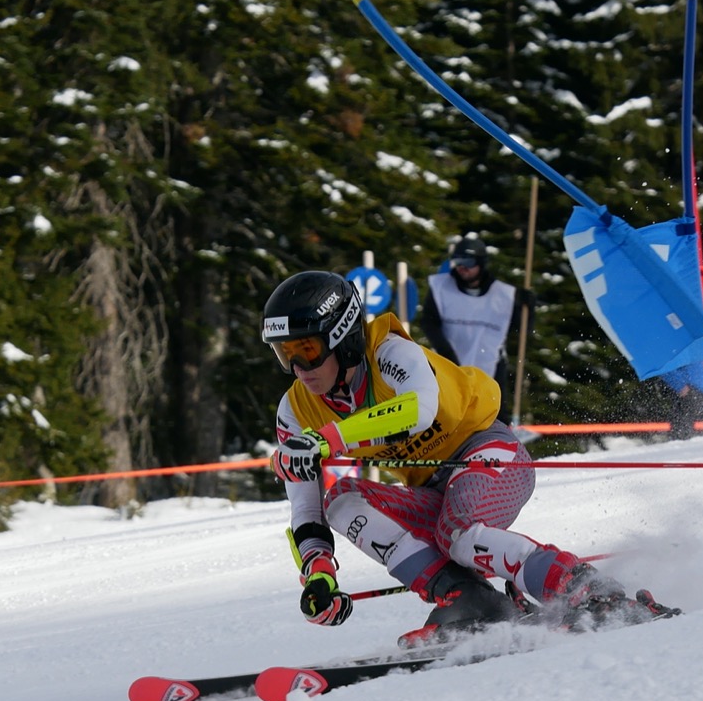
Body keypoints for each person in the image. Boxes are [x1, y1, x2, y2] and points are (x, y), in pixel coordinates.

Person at [261, 269, 676, 646]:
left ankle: (589, 591)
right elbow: (306, 507)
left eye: (307, 349)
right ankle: (470, 598)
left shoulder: (389, 353)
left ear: (343, 337)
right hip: (433, 488)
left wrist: (327, 440)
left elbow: (418, 410)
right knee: (341, 501)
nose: (298, 368)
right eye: (284, 354)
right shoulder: (295, 412)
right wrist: (318, 572)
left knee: (457, 534)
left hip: (490, 452)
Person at [415, 234, 536, 382]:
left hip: (490, 372)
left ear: (481, 263)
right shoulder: (441, 288)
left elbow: (520, 331)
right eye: (458, 262)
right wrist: (446, 353)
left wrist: (528, 309)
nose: (462, 268)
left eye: (468, 262)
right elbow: (429, 323)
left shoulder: (503, 295)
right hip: (450, 369)